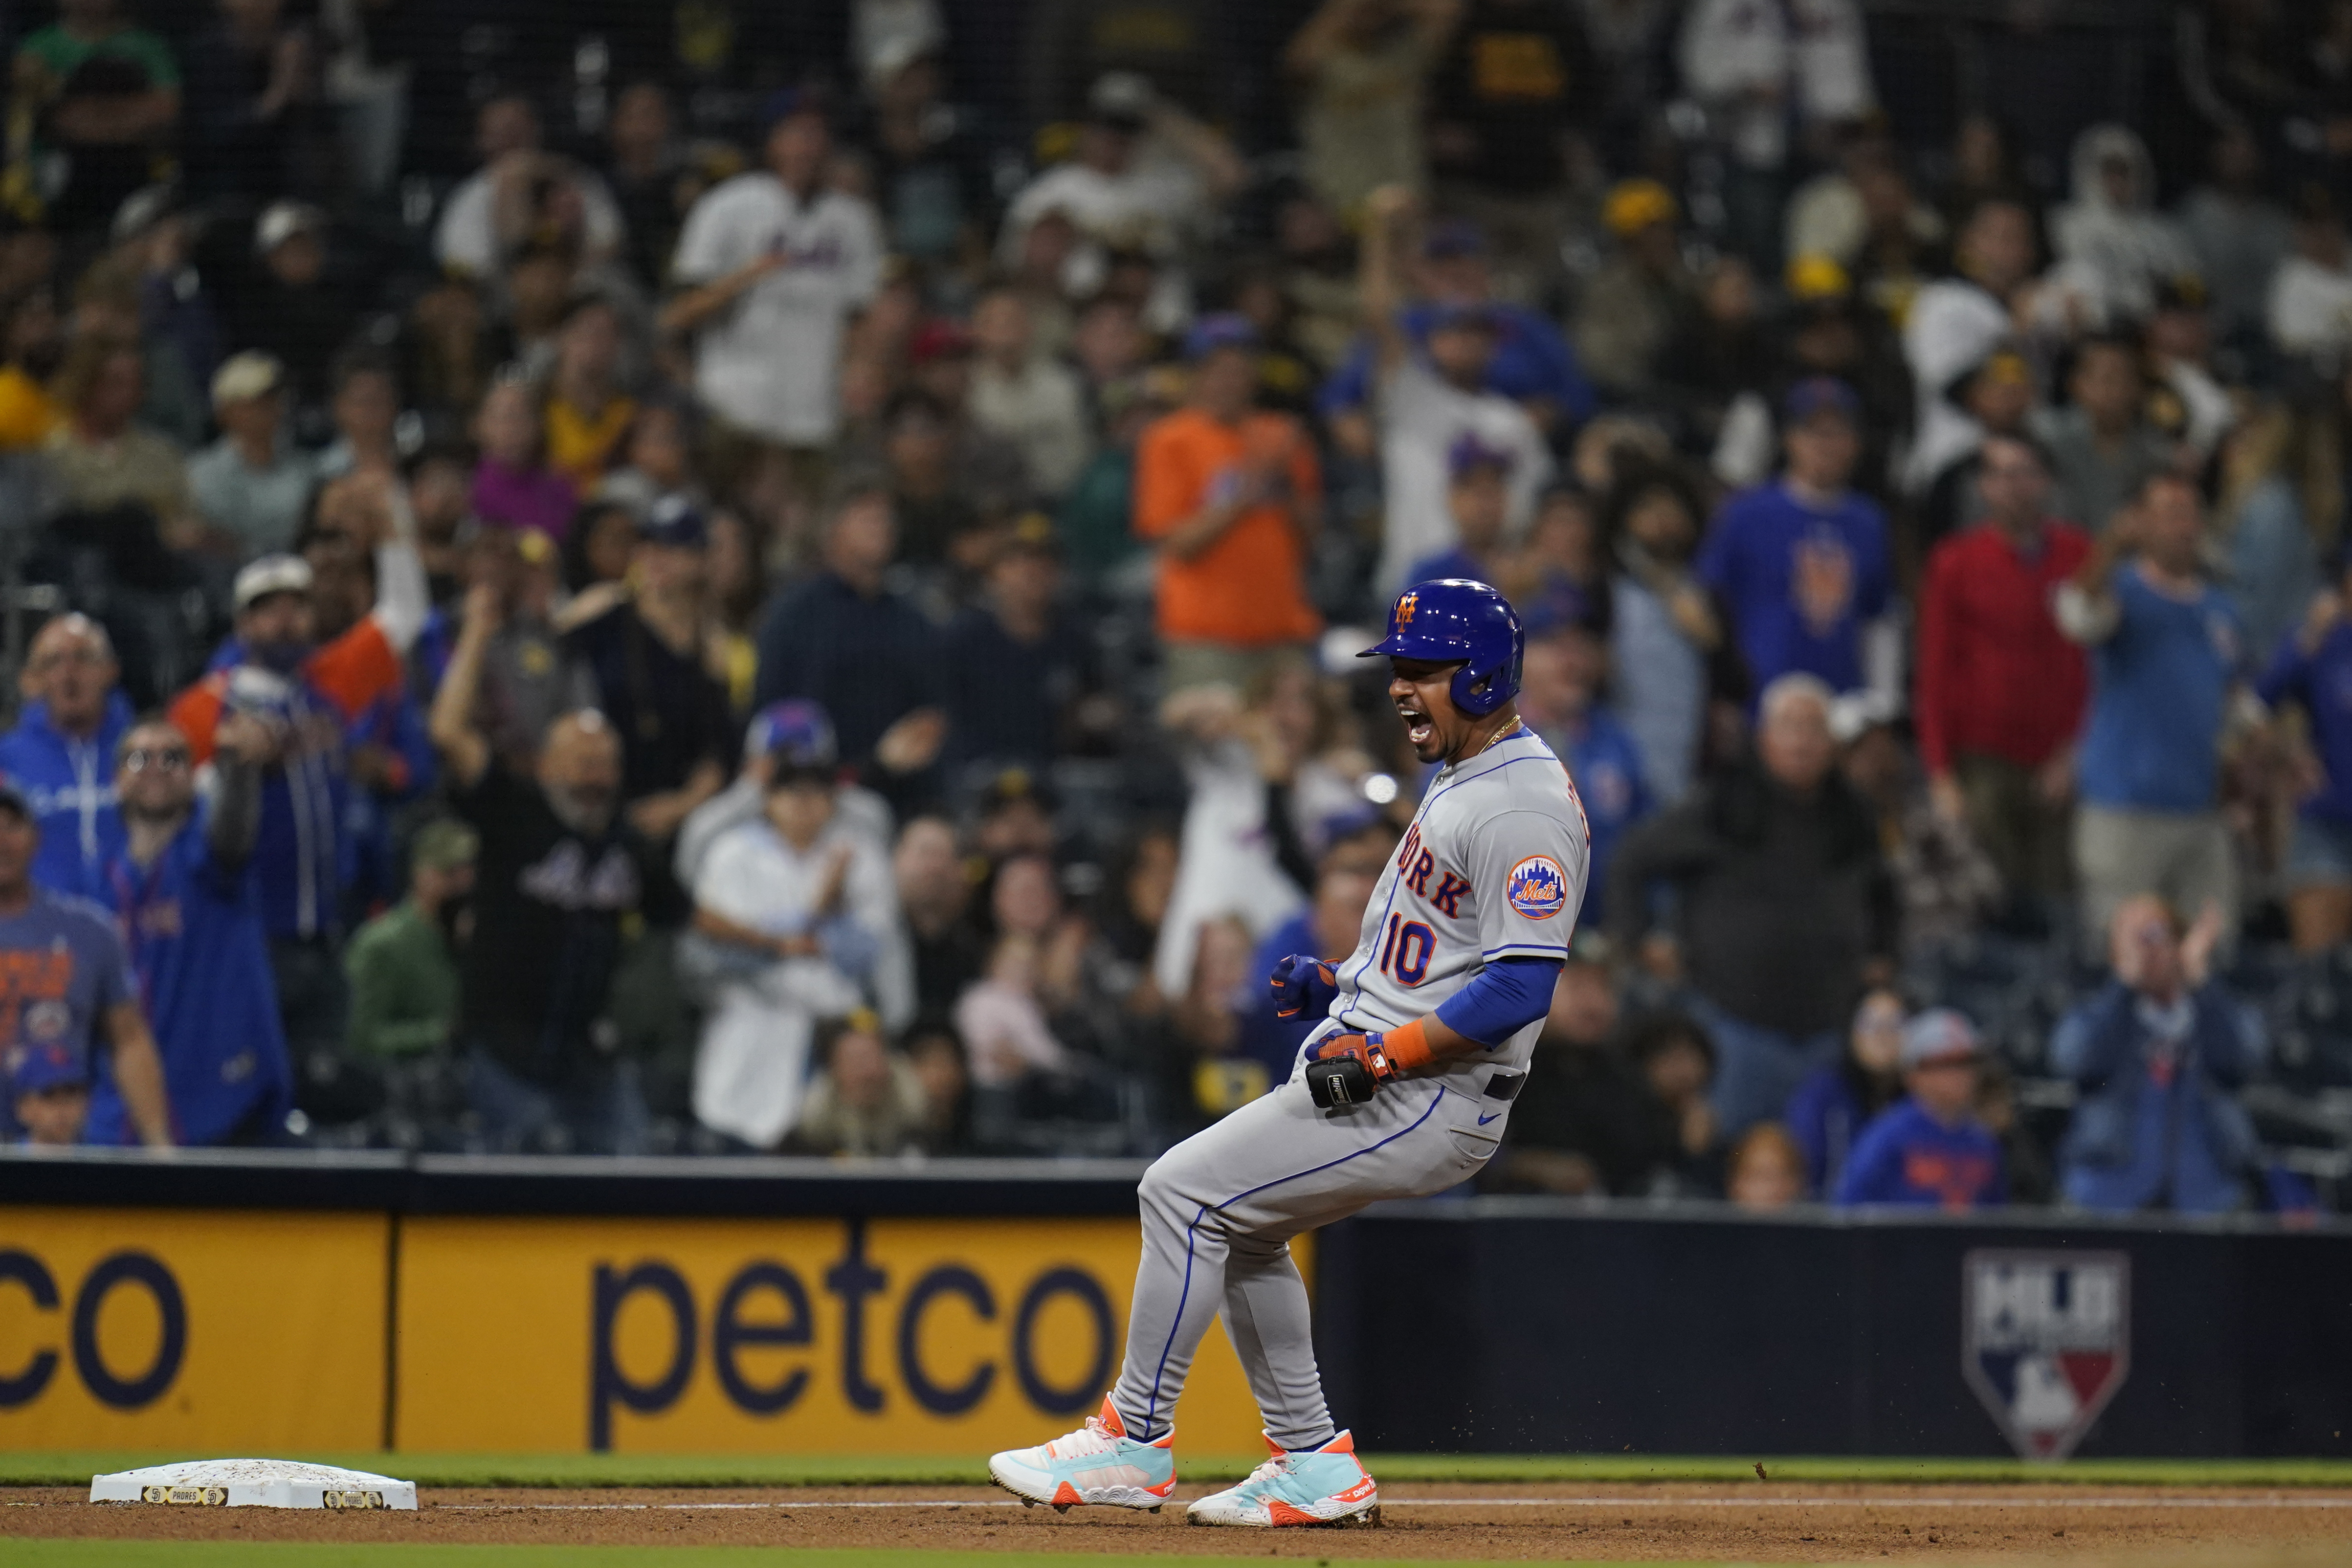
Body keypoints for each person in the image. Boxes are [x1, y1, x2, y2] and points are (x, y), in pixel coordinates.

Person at [990, 578, 1586, 1527]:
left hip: (1429, 1091)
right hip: (1401, 1072)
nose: (1397, 688)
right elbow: (1439, 942)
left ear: (1479, 674)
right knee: (1243, 1227)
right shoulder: (1467, 775)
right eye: (1394, 669)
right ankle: (1311, 1462)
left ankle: (1131, 1438)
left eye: (1419, 671)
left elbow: (1518, 987)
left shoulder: (1521, 804)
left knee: (1178, 1192)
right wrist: (1338, 981)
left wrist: (1383, 1052)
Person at [428, 582, 684, 1154]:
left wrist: (781, 939)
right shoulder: (513, 810)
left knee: (637, 1168)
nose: (596, 777)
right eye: (583, 763)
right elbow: (448, 732)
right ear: (547, 765)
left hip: (583, 1055)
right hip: (501, 1047)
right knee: (526, 1179)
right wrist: (476, 634)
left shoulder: (627, 845)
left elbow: (682, 912)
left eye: (606, 765)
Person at [1606, 673, 1896, 1135]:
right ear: (1764, 738)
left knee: (1819, 1171)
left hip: (1828, 1030)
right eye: (1789, 727)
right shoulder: (1722, 804)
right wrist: (1639, 938)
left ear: (1833, 744)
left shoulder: (1855, 815)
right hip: (1734, 1028)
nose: (1801, 742)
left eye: (1814, 729)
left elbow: (1885, 893)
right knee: (1730, 1159)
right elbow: (1631, 861)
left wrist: (1883, 956)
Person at [688, 721, 908, 1150]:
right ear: (769, 799)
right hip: (751, 1029)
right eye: (792, 790)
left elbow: (867, 949)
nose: (805, 803)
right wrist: (816, 918)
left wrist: (775, 934)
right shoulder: (734, 852)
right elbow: (714, 949)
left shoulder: (857, 849)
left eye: (817, 791)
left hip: (834, 1037)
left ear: (832, 800)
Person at [665, 91, 884, 509]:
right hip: (733, 406)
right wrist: (749, 274)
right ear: (772, 142)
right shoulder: (728, 206)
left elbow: (863, 315)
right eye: (798, 134)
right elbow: (677, 314)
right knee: (728, 521)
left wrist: (861, 370)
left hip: (816, 411)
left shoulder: (853, 220)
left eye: (818, 135)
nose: (809, 146)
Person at [2056, 472, 2246, 946]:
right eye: (2167, 514)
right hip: (2123, 809)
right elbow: (2078, 617)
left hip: (2200, 810)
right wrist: (2108, 549)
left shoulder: (2220, 610)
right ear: (2139, 523)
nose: (2182, 527)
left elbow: (2235, 703)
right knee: (2123, 955)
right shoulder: (2121, 591)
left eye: (2189, 513)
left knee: (2212, 950)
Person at [90, 714, 292, 1147]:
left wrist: (238, 765)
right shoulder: (100, 878)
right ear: (117, 779)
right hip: (122, 1108)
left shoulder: (210, 858)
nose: (157, 767)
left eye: (174, 757)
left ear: (193, 775)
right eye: (141, 758)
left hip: (218, 1101)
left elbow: (234, 834)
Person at [1914, 432, 2093, 908]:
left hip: (2058, 758)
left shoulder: (2079, 556)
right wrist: (1939, 773)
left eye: (2025, 472)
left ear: (2047, 482)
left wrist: (2076, 748)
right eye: (1999, 474)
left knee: (2058, 901)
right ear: (1982, 487)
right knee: (1988, 900)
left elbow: (2095, 664)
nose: (2013, 486)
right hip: (1982, 757)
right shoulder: (1955, 561)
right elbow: (1933, 670)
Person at [1359, 186, 1552, 597]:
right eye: (1454, 332)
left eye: (1476, 333)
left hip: (1490, 591)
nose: (1466, 343)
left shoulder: (1513, 420)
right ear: (1431, 341)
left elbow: (1533, 512)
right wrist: (1377, 234)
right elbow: (1378, 315)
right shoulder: (1412, 397)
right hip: (1412, 588)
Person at [1131, 313, 1323, 694]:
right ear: (1195, 376)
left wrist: (1284, 486)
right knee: (1219, 752)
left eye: (1241, 368)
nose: (1231, 380)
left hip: (1281, 628)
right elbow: (1177, 544)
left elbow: (1311, 535)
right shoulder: (1169, 440)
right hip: (1205, 636)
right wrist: (1243, 494)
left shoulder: (1281, 435)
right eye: (1218, 369)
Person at [2052, 896, 2263, 1215]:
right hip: (2107, 1196)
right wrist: (2122, 987)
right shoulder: (2096, 1013)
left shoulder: (2212, 1010)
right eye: (2133, 939)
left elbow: (2243, 1060)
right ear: (2114, 952)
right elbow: (2074, 1059)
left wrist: (2203, 985)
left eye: (2155, 935)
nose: (2146, 949)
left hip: (2207, 1196)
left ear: (2179, 944)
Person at [1697, 377, 1894, 715]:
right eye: (1813, 431)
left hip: (1843, 706)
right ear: (1789, 439)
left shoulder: (1869, 521)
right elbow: (1709, 604)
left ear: (1856, 443)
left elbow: (1878, 620)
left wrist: (1881, 701)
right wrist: (1720, 694)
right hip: (1759, 702)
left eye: (1838, 432)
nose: (1826, 444)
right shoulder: (1746, 513)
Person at [0, 775, 170, 1147]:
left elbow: (129, 1039)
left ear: (36, 836)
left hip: (59, 1148)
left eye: (12, 826)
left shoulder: (88, 930)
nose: (2, 841)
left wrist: (160, 1146)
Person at [750, 483, 947, 800]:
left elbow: (934, 710)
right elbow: (770, 716)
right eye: (867, 517)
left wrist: (924, 734)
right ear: (832, 531)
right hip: (813, 796)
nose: (881, 527)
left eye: (886, 519)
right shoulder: (794, 616)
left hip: (904, 793)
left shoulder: (912, 619)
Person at [562, 497, 733, 843]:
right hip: (591, 801)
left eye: (673, 548)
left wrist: (682, 805)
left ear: (701, 561)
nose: (655, 558)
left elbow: (719, 750)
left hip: (677, 817)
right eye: (649, 545)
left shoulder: (713, 646)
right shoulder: (603, 611)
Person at [0, 614, 133, 901]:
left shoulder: (144, 753)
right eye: (53, 662)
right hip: (41, 934)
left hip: (135, 925)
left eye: (83, 658)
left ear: (111, 670)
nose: (68, 674)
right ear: (32, 681)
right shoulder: (6, 760)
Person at [2258, 557, 2352, 951]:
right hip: (2327, 826)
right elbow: (2256, 704)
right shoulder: (2324, 638)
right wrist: (2288, 751)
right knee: (2320, 982)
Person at [1833, 1008, 2004, 1211]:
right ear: (1913, 1075)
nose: (1961, 1075)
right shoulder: (1886, 1138)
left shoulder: (1984, 1142)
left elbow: (1997, 1219)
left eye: (1968, 1062)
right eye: (1945, 1063)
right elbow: (1848, 1211)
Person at [342, 817, 476, 1062]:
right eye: (451, 872)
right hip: (407, 1081)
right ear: (422, 873)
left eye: (470, 873)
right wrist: (441, 1034)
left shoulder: (475, 939)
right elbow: (362, 1037)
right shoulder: (383, 943)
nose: (464, 884)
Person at [2031, 335, 2174, 538]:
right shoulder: (2045, 439)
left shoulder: (2155, 452)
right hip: (2056, 552)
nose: (2115, 390)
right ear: (2076, 384)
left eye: (2125, 379)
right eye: (2106, 378)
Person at [186, 351, 315, 559]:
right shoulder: (201, 475)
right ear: (225, 412)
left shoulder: (305, 468)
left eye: (274, 397)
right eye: (257, 400)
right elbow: (216, 543)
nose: (270, 406)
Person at [1783, 986, 1906, 1198]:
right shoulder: (1821, 1095)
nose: (1882, 1036)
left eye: (1895, 1025)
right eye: (1871, 1024)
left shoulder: (1920, 1102)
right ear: (1852, 1031)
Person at [786, 1011, 929, 1156]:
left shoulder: (919, 1120)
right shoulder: (811, 1133)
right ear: (835, 1070)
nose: (868, 1073)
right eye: (857, 1062)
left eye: (874, 1059)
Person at [10, 1042, 90, 1146]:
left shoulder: (101, 1158)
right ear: (24, 1107)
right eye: (50, 1099)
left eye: (70, 1099)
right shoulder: (6, 1158)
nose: (62, 1111)